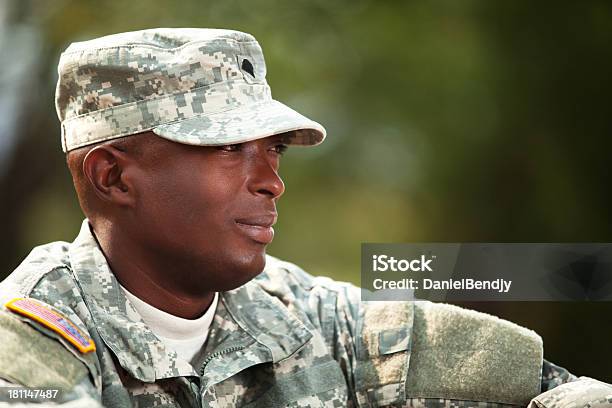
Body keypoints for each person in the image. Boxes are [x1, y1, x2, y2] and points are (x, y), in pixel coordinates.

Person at [0, 28, 609, 408]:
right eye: (229, 148)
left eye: (274, 149)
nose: (271, 181)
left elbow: (539, 385)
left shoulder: (305, 316)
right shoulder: (29, 340)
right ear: (113, 175)